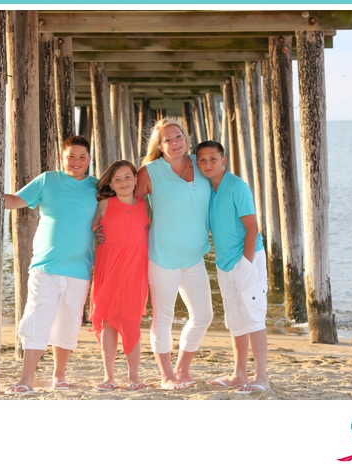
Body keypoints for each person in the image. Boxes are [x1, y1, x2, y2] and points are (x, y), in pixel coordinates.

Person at [3, 136, 98, 394]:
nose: (76, 162)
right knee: (37, 319)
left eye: (82, 157)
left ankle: (59, 375)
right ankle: (26, 379)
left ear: (89, 159)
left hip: (80, 269)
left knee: (68, 323)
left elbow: (108, 218)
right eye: (71, 156)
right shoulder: (48, 180)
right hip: (45, 266)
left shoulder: (97, 187)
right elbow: (14, 201)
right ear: (61, 158)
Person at [134, 118, 214, 390]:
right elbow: (128, 204)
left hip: (194, 256)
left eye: (178, 136)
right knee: (163, 317)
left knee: (203, 315)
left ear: (186, 138)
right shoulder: (150, 172)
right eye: (167, 139)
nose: (174, 143)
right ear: (159, 145)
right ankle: (166, 374)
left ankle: (182, 368)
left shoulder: (201, 164)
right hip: (162, 256)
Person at [195, 141, 271, 394]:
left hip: (247, 260)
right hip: (224, 263)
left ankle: (261, 377)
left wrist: (246, 264)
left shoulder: (237, 186)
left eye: (213, 159)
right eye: (202, 160)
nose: (207, 164)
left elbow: (252, 227)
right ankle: (239, 374)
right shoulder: (208, 188)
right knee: (235, 320)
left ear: (223, 160)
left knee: (254, 317)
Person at [90, 160, 150, 392]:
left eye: (127, 177)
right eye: (117, 179)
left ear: (136, 179)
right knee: (108, 322)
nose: (123, 182)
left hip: (135, 268)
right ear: (111, 184)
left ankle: (134, 376)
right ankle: (109, 376)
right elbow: (92, 227)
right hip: (109, 266)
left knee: (131, 322)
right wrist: (97, 233)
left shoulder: (146, 205)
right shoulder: (105, 203)